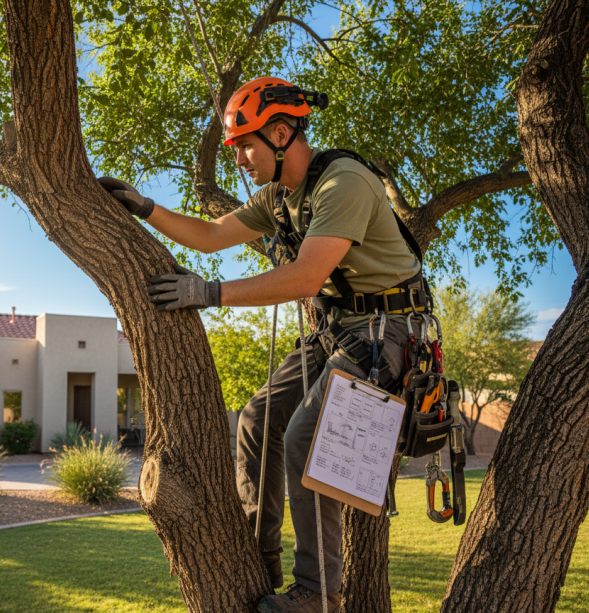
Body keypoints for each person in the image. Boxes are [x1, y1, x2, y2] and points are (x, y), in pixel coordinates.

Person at [99, 76, 428, 613]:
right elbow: (210, 235)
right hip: (339, 331)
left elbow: (303, 278)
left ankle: (318, 592)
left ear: (280, 133)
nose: (240, 160)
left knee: (303, 436)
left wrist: (207, 292)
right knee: (258, 420)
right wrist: (146, 207)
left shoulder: (342, 182)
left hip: (389, 333)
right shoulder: (278, 198)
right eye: (235, 149)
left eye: (246, 145)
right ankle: (260, 555)